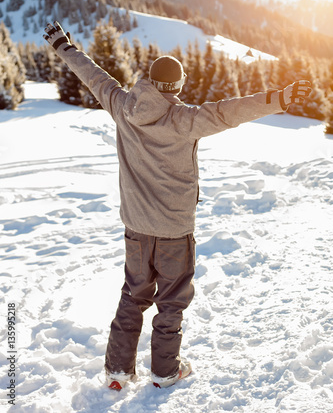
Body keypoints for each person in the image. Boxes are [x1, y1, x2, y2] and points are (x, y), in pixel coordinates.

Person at [43, 21, 311, 390]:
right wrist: (280, 98)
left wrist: (63, 45)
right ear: (178, 85)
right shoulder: (185, 120)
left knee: (133, 296)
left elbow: (94, 75)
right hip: (174, 232)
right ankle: (165, 371)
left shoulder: (122, 106)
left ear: (151, 82)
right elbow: (229, 111)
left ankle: (118, 370)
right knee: (171, 303)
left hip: (136, 229)